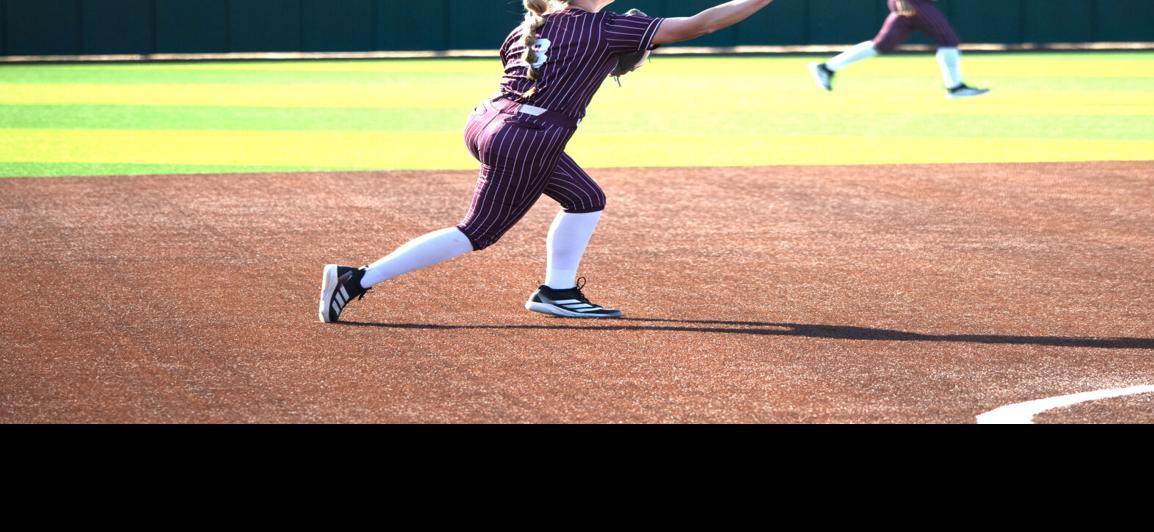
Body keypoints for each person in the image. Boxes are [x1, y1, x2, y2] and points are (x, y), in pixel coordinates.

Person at [321, 0, 775, 323]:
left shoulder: (528, 27)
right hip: (528, 137)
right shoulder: (605, 27)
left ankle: (557, 291)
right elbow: (702, 24)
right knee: (477, 232)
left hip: (490, 122)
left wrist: (606, 62)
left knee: (585, 198)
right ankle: (357, 279)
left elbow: (542, 70)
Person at [807, 0, 989, 99]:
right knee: (947, 39)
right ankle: (955, 87)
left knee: (881, 44)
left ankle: (827, 68)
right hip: (914, 2)